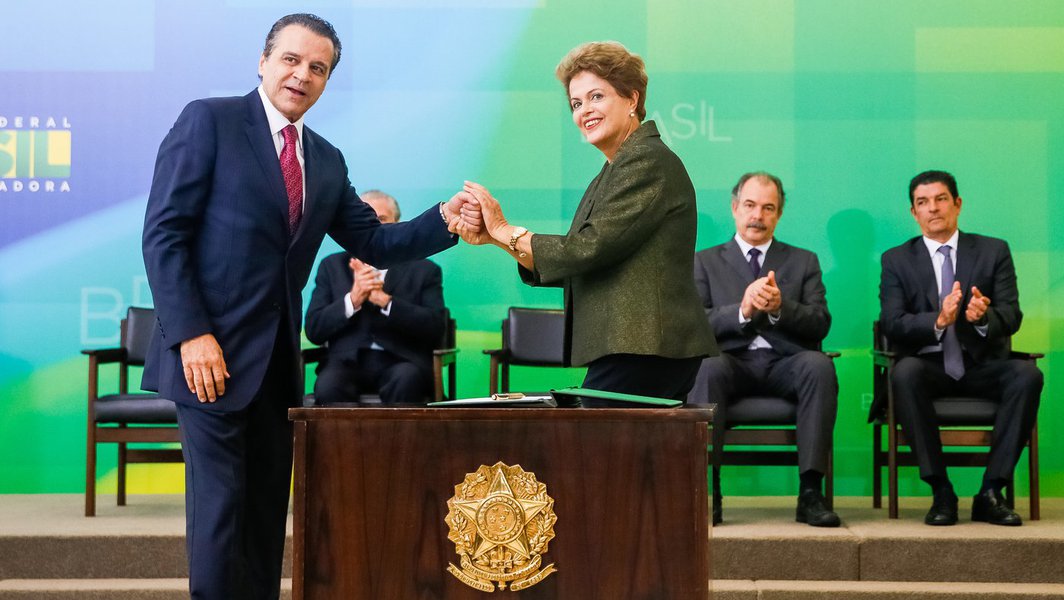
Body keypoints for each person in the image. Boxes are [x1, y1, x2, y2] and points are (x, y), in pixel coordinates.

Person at [141, 14, 476, 599]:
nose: (302, 75)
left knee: (267, 513)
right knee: (221, 514)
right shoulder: (209, 121)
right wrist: (191, 334)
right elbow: (164, 235)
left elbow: (375, 241)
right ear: (264, 61)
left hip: (277, 365)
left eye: (317, 68)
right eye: (291, 60)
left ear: (326, 82)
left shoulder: (326, 159)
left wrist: (444, 219)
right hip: (208, 360)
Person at [455, 41, 717, 401]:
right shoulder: (615, 168)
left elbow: (586, 248)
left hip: (647, 347)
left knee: (587, 450)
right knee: (609, 454)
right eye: (576, 104)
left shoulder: (646, 161)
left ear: (632, 100)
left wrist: (505, 231)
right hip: (636, 347)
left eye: (596, 96)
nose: (584, 111)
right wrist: (495, 238)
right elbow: (583, 257)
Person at [878, 169, 1042, 527]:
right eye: (923, 203)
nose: (933, 209)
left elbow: (1011, 315)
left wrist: (983, 317)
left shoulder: (992, 250)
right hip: (929, 365)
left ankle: (990, 492)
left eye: (940, 200)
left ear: (957, 204)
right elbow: (892, 322)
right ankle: (941, 491)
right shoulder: (896, 259)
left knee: (1028, 375)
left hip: (981, 363)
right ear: (913, 212)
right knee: (904, 372)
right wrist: (937, 321)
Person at [688, 172, 840, 528]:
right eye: (750, 205)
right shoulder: (704, 261)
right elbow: (695, 325)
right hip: (731, 362)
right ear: (735, 207)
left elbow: (820, 323)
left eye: (768, 208)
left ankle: (810, 493)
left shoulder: (803, 261)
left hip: (785, 363)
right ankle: (708, 491)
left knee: (819, 366)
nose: (758, 215)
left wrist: (779, 307)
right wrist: (742, 309)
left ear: (779, 214)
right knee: (706, 368)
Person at [305, 190, 446, 405]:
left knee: (406, 380)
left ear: (398, 223)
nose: (375, 226)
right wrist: (353, 299)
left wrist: (386, 302)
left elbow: (435, 328)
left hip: (402, 361)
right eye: (368, 219)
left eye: (382, 219)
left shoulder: (425, 270)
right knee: (329, 384)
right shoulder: (331, 266)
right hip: (345, 362)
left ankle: (399, 441)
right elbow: (314, 330)